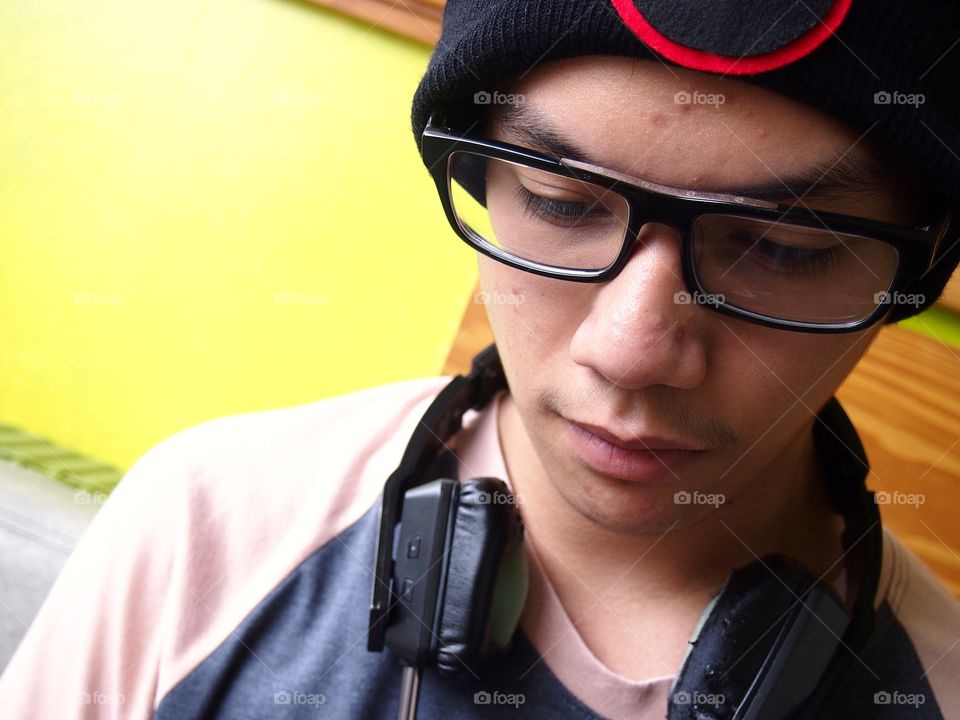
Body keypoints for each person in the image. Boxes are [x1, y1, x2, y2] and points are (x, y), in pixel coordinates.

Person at [2, 1, 960, 718]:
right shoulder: (204, 526)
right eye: (558, 199)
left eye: (785, 249)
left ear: (914, 267)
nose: (629, 353)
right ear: (480, 174)